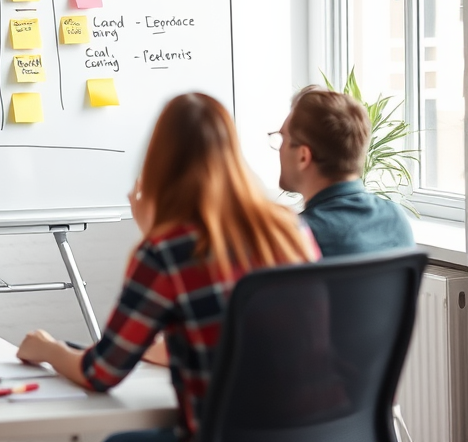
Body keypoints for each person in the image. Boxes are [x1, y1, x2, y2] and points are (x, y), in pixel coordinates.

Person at [16, 93, 320, 442]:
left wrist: (47, 348)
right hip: (318, 432)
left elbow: (100, 373)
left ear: (160, 160)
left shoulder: (166, 252)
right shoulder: (291, 229)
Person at [275, 86, 414, 257]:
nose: (279, 149)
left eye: (282, 138)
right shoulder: (395, 219)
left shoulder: (295, 238)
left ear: (304, 156)